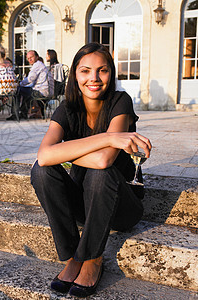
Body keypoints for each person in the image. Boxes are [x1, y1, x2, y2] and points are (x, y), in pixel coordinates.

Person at [30, 43, 152, 298]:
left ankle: (93, 258)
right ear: (75, 74)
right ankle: (74, 255)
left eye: (102, 71)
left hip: (122, 206)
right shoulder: (67, 109)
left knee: (100, 174)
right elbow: (43, 157)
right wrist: (109, 138)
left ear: (111, 74)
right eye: (85, 71)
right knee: (41, 172)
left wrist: (67, 151)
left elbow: (103, 161)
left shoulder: (120, 101)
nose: (94, 79)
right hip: (84, 206)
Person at [7, 50, 53, 120]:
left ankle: (15, 114)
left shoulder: (37, 65)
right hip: (46, 91)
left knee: (17, 90)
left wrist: (19, 83)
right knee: (26, 91)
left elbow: (30, 79)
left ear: (37, 57)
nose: (30, 60)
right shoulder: (40, 64)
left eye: (31, 57)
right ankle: (23, 113)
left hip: (42, 92)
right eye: (28, 58)